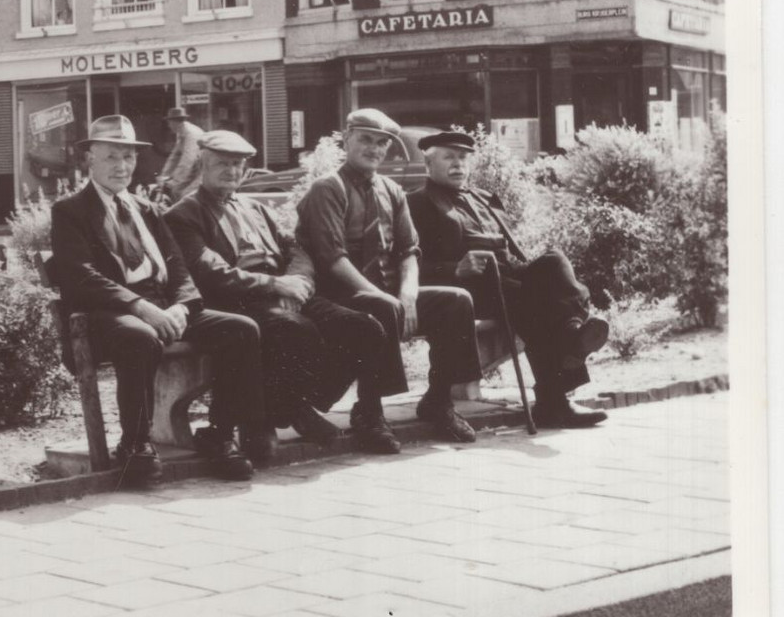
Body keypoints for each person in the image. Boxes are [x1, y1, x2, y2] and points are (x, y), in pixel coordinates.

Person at [50, 115, 267, 486]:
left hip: (163, 306)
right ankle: (136, 446)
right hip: (110, 311)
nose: (122, 167)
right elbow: (80, 276)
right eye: (112, 157)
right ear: (90, 159)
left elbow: (178, 267)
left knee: (241, 329)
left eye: (129, 158)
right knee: (140, 337)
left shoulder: (146, 209)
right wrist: (140, 307)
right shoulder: (71, 211)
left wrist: (182, 306)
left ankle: (218, 433)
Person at [164, 131, 393, 459]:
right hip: (239, 301)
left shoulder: (256, 208)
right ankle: (283, 413)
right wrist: (273, 286)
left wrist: (295, 280)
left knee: (364, 328)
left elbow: (296, 248)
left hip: (285, 293)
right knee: (294, 329)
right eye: (221, 164)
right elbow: (209, 271)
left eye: (237, 164)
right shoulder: (184, 215)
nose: (231, 171)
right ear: (203, 163)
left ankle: (292, 406)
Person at [294, 109, 485, 453]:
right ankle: (369, 413)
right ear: (347, 139)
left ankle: (438, 401)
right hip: (336, 297)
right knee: (380, 306)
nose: (374, 149)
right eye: (366, 139)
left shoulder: (392, 191)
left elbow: (409, 251)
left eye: (382, 143)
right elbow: (332, 259)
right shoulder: (327, 189)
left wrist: (408, 294)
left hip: (385, 296)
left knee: (456, 300)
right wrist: (388, 300)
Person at [407, 131, 609, 429]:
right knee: (536, 307)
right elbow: (410, 261)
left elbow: (509, 253)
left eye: (463, 157)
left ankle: (572, 331)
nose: (457, 164)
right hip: (466, 288)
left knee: (553, 260)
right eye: (448, 157)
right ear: (428, 163)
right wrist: (454, 269)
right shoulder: (418, 203)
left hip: (506, 279)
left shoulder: (484, 199)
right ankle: (555, 400)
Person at [156, 106, 205, 203]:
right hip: (195, 169)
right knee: (175, 191)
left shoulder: (192, 134)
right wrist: (163, 175)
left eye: (169, 122)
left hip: (204, 170)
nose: (169, 126)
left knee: (185, 195)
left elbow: (187, 161)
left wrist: (174, 181)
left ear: (175, 122)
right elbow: (174, 156)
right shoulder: (182, 132)